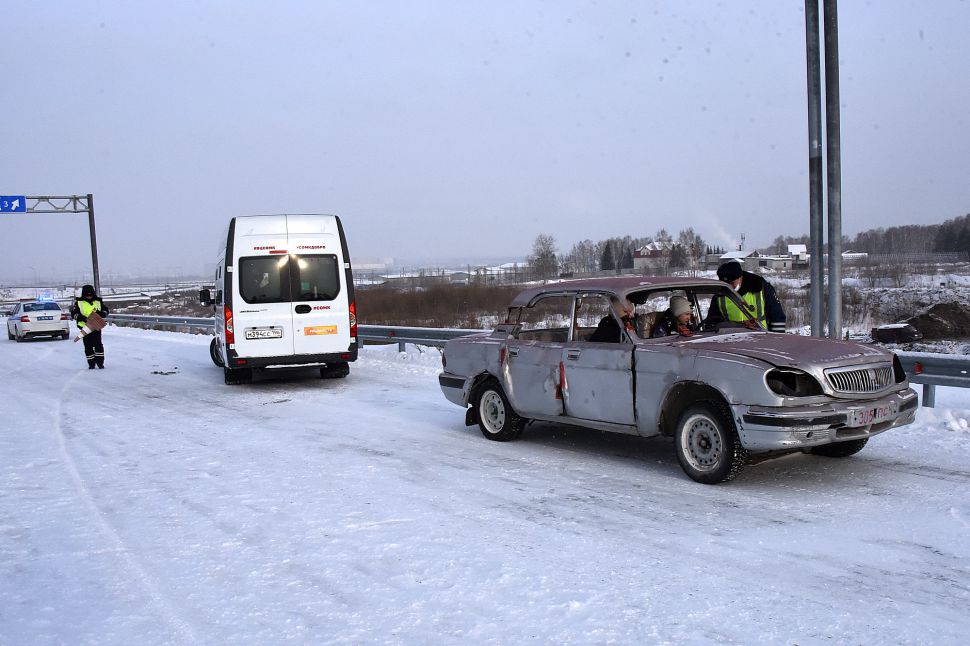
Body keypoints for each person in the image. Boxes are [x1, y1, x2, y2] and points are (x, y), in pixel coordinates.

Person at [705, 261, 786, 332]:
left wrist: (778, 339)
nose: (729, 287)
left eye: (732, 283)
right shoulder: (719, 296)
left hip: (761, 338)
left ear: (741, 277)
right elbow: (712, 322)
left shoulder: (762, 288)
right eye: (726, 284)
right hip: (731, 339)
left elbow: (778, 317)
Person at [70, 284, 109, 369]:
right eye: (87, 295)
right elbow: (73, 314)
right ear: (84, 294)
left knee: (98, 345)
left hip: (96, 326)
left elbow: (106, 311)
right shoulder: (79, 302)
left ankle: (100, 363)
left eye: (90, 295)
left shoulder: (98, 301)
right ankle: (91, 363)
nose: (89, 297)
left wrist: (101, 313)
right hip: (85, 327)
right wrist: (81, 318)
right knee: (88, 346)